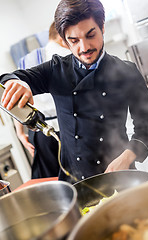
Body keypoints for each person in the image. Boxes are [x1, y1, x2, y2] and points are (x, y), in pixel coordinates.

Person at [0, 0, 148, 183]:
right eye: (74, 41)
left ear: (102, 28)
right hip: (75, 181)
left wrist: (128, 156)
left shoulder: (127, 71)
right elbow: (8, 77)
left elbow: (147, 124)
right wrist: (16, 82)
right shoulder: (56, 70)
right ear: (64, 41)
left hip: (120, 174)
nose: (84, 48)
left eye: (90, 35)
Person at [14, 21, 70, 179]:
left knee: (50, 182)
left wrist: (20, 132)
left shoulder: (25, 60)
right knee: (80, 179)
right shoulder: (70, 57)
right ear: (61, 37)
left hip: (39, 130)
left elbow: (19, 98)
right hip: (70, 129)